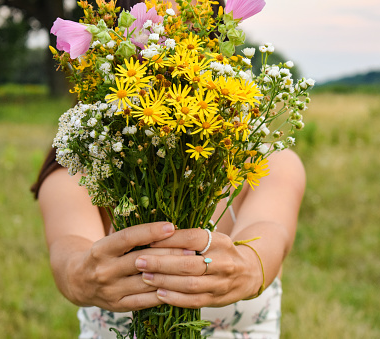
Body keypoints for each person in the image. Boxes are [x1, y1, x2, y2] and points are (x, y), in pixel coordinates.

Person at [32, 1, 306, 338]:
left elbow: (270, 236)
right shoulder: (81, 164)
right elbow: (68, 256)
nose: (168, 45)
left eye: (185, 28)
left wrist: (249, 267)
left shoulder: (270, 161)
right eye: (154, 28)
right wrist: (79, 276)